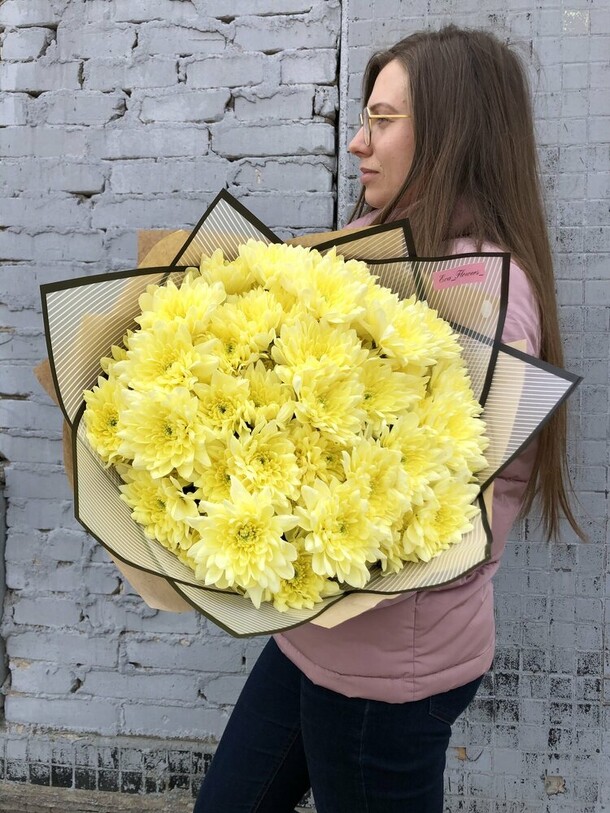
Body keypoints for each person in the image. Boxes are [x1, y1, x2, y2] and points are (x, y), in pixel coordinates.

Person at [193, 25, 583, 813]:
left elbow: (438, 518)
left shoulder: (483, 298)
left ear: (449, 134)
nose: (357, 144)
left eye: (382, 120)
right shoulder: (378, 246)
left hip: (385, 677)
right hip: (313, 637)